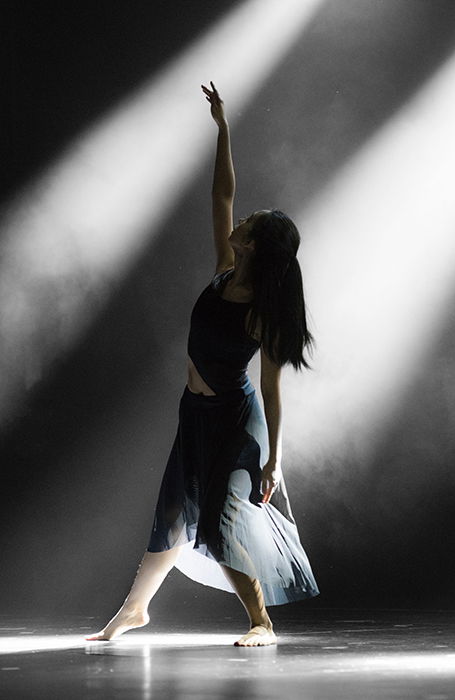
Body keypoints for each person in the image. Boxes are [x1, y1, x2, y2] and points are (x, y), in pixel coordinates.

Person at [86, 82, 319, 648]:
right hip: (195, 412)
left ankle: (261, 622)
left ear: (258, 247)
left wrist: (273, 459)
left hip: (238, 426)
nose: (238, 225)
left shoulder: (262, 314)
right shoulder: (222, 269)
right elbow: (221, 197)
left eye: (249, 225)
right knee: (170, 513)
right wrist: (223, 130)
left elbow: (272, 391)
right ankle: (133, 612)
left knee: (218, 524)